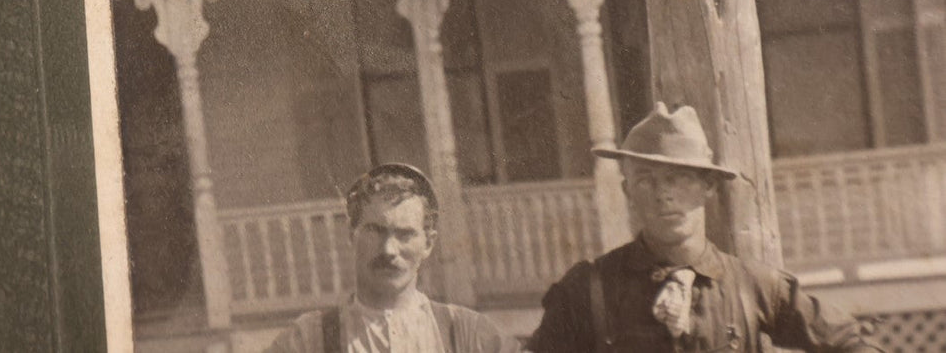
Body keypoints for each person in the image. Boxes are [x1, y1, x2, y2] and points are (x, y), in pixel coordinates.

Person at [526, 103, 883, 353]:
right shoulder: (589, 291)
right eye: (646, 181)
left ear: (709, 186)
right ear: (627, 192)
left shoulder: (754, 288)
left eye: (678, 179)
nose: (664, 195)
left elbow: (851, 342)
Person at [264, 163, 521, 353]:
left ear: (428, 243)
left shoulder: (469, 334)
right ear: (352, 235)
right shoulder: (308, 340)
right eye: (375, 231)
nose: (389, 249)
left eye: (405, 234)